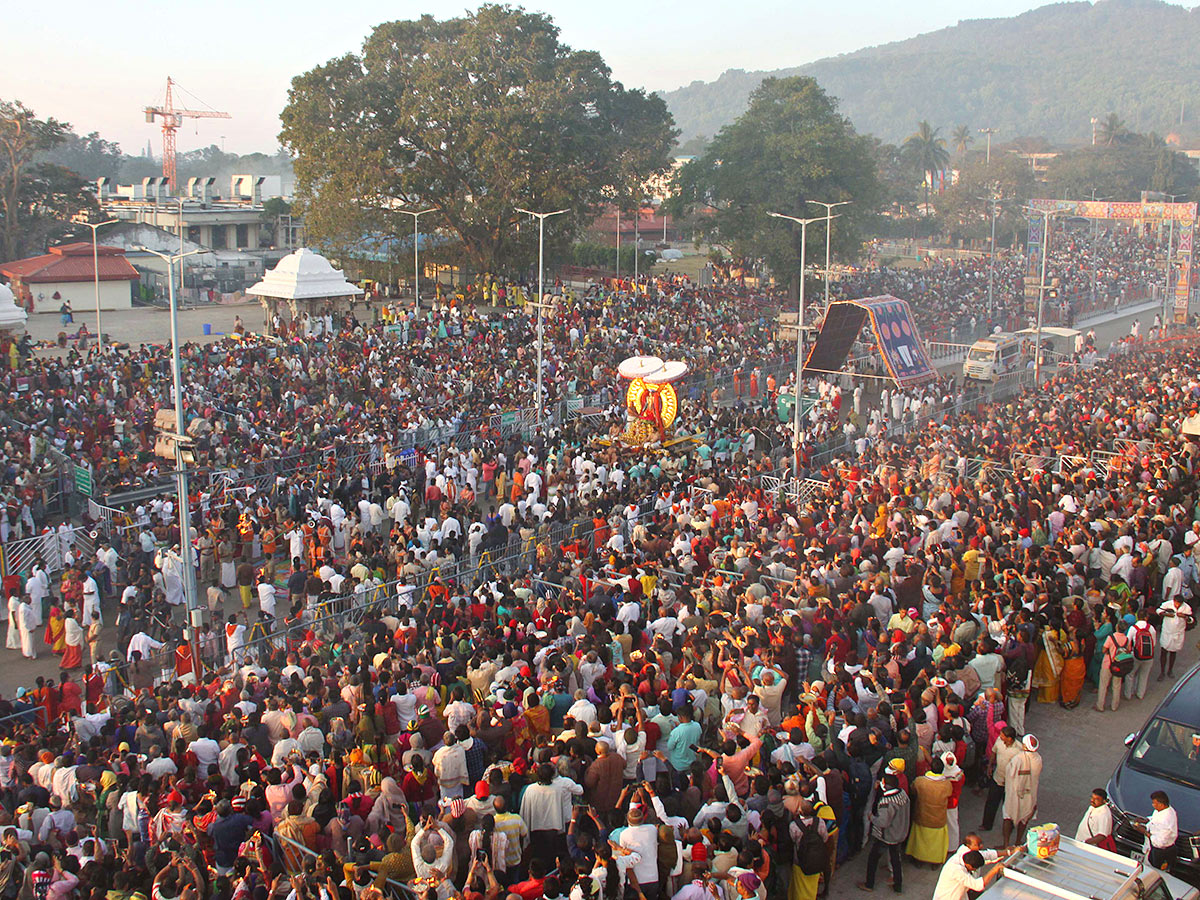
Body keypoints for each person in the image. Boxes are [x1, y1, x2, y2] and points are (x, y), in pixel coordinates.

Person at [858, 772, 909, 893]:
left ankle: (869, 884)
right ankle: (898, 886)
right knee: (896, 859)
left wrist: (872, 818)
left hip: (886, 836)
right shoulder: (902, 794)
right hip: (900, 832)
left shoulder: (887, 802)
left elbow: (883, 822)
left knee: (873, 859)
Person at [1003, 734, 1043, 847]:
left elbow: (1009, 773)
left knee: (1008, 816)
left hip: (1015, 793)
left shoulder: (1018, 758)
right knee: (1024, 818)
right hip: (1029, 793)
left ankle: (1006, 844)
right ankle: (1018, 841)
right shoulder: (1038, 759)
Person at [931, 850, 1007, 900]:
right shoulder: (957, 870)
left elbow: (986, 854)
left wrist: (1008, 852)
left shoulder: (964, 856)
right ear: (970, 866)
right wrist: (994, 870)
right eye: (975, 869)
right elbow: (978, 886)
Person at [1132, 790, 1178, 872]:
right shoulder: (1163, 809)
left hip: (1161, 852)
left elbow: (1160, 843)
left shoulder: (1166, 820)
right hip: (1151, 848)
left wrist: (1144, 832)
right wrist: (1145, 820)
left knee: (1155, 872)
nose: (1153, 805)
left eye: (1154, 803)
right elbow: (1154, 819)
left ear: (1161, 804)